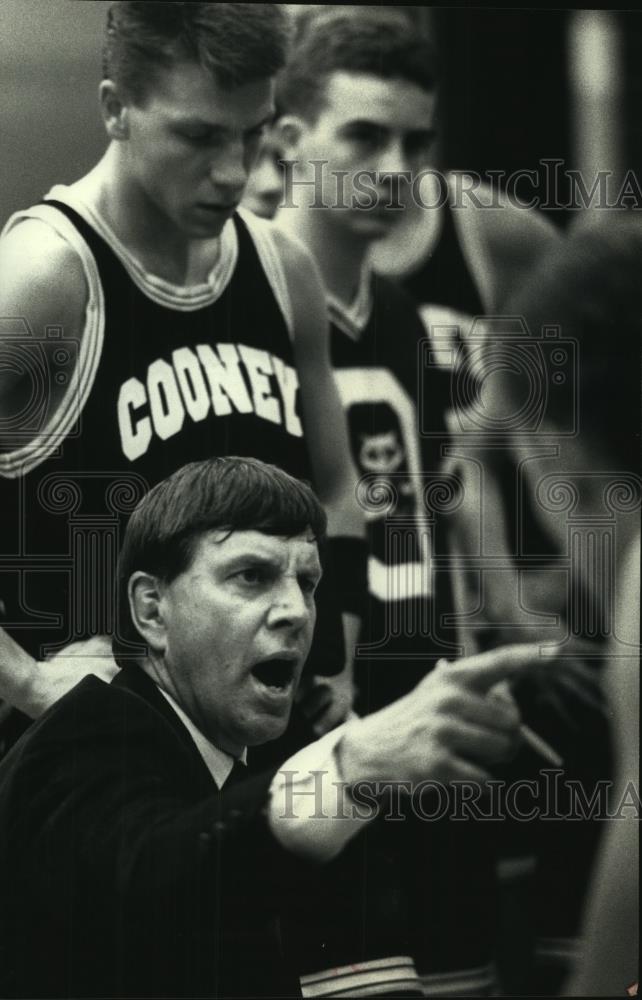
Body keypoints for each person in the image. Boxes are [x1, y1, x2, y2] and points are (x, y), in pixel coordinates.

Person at [0, 454, 537, 999]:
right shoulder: (82, 737)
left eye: (307, 582)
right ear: (152, 611)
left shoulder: (237, 756)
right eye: (252, 576)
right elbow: (157, 874)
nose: (298, 612)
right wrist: (352, 766)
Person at [0, 2, 364, 744]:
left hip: (245, 766)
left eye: (254, 132)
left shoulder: (281, 268)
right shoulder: (47, 277)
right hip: (94, 774)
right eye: (199, 136)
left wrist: (335, 653)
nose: (235, 171)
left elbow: (336, 487)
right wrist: (26, 678)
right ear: (115, 110)